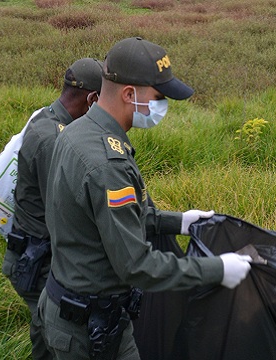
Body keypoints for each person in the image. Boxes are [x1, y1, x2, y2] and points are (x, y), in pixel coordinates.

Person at [38, 37, 253, 360]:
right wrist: (217, 270)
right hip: (87, 328)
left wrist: (179, 221)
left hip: (72, 304)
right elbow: (136, 265)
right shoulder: (106, 164)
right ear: (129, 94)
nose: (161, 106)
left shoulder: (80, 131)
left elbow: (104, 219)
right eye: (158, 97)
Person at [2, 57, 103, 360]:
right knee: (53, 331)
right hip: (36, 261)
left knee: (46, 327)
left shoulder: (47, 118)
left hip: (34, 252)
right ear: (92, 99)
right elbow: (63, 213)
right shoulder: (52, 140)